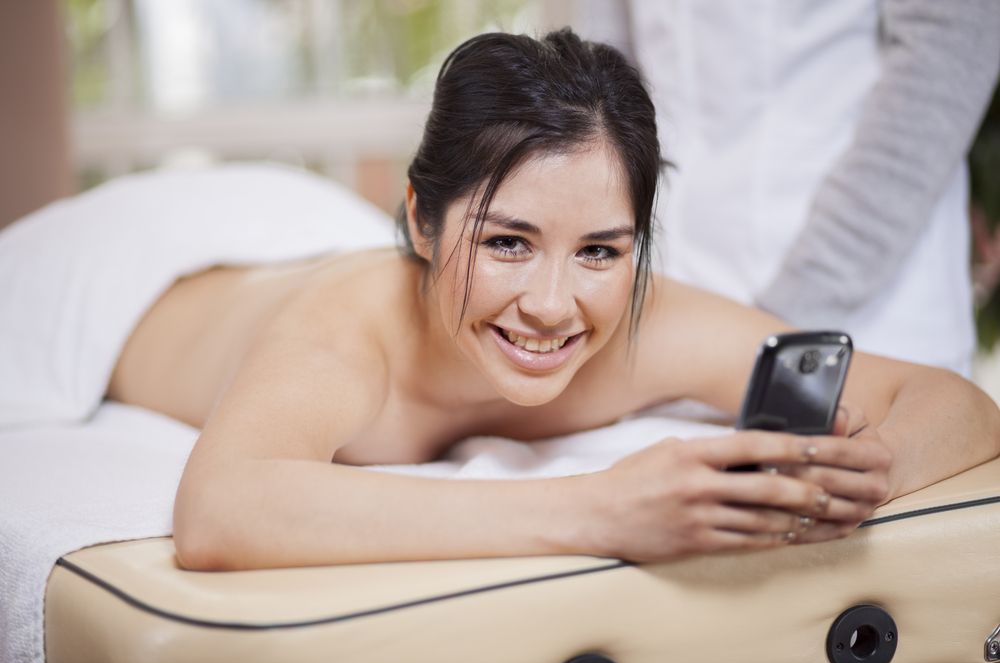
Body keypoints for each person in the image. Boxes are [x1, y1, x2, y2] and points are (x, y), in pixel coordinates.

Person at [104, 29, 1000, 571]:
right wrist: (599, 507)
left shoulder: (640, 328)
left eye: (601, 250)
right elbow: (219, 510)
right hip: (144, 277)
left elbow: (956, 405)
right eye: (507, 242)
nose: (552, 306)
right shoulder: (343, 339)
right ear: (421, 220)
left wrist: (870, 471)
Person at [576, 0, 1000, 375]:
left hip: (866, 317)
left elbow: (939, 71)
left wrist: (765, 333)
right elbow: (609, 75)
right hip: (666, 307)